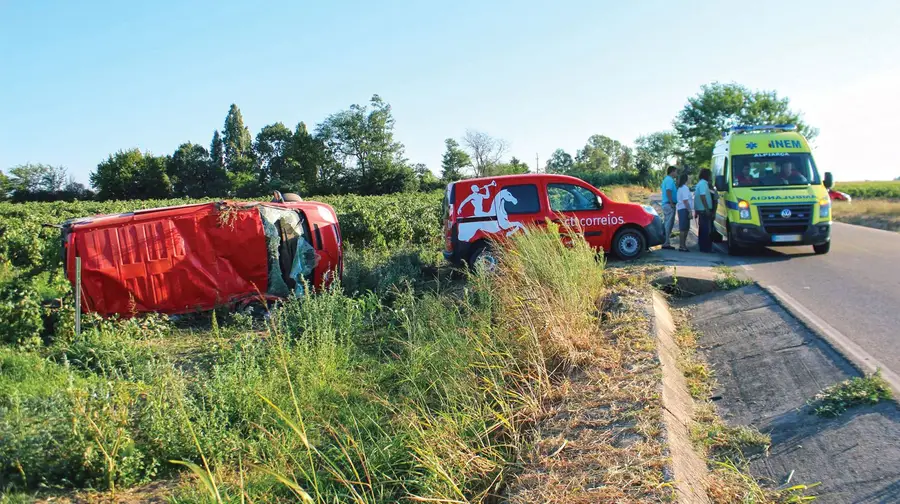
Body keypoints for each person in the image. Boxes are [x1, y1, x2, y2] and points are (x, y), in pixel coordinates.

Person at [694, 168, 714, 253]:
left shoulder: (701, 183)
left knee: (702, 229)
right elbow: (702, 196)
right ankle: (705, 248)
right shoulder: (703, 184)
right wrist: (706, 208)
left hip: (701, 209)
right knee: (705, 230)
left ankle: (702, 247)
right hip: (703, 210)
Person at [659, 166, 678, 249]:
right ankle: (666, 242)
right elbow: (668, 191)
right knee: (668, 223)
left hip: (666, 204)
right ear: (672, 171)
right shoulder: (670, 180)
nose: (676, 174)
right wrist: (671, 202)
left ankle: (665, 241)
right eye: (676, 172)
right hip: (669, 204)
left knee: (667, 222)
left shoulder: (666, 179)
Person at [676, 173, 692, 252]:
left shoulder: (680, 188)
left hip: (681, 209)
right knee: (683, 228)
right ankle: (682, 245)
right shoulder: (685, 188)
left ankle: (683, 245)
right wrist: (690, 211)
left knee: (685, 228)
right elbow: (685, 201)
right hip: (684, 209)